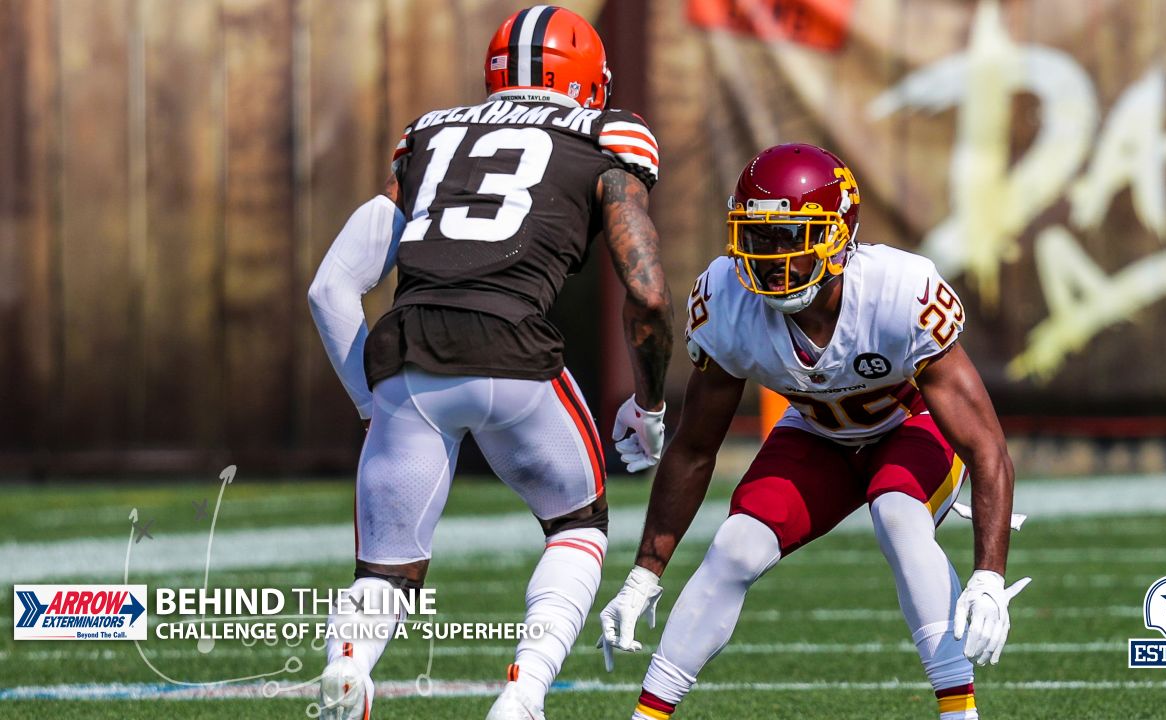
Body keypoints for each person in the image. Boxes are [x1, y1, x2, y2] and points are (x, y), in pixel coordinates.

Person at [306, 6, 673, 719]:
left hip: (409, 351)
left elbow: (330, 288)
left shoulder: (432, 133)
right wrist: (650, 405)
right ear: (586, 82)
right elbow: (650, 295)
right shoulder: (608, 134)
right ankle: (524, 692)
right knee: (577, 526)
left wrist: (368, 401)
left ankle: (348, 666)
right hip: (513, 348)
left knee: (386, 567)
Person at [597, 143, 1029, 720]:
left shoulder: (899, 291)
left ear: (837, 237)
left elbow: (985, 445)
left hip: (909, 426)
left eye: (789, 237)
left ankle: (959, 715)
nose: (769, 257)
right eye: (757, 237)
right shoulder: (726, 299)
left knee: (899, 514)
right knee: (734, 546)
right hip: (818, 433)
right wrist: (643, 576)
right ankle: (647, 716)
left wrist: (988, 576)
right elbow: (696, 448)